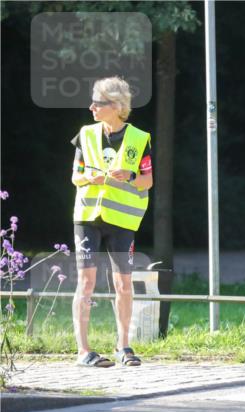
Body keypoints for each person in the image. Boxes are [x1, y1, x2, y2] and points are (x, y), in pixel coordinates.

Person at [70, 76, 153, 367]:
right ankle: (83, 352)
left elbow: (148, 180)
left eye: (99, 103)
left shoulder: (139, 139)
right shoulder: (86, 134)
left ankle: (124, 347)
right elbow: (75, 175)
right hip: (88, 216)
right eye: (92, 101)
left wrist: (130, 176)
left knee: (124, 284)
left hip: (122, 220)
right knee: (86, 281)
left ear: (117, 106)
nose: (92, 107)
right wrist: (86, 178)